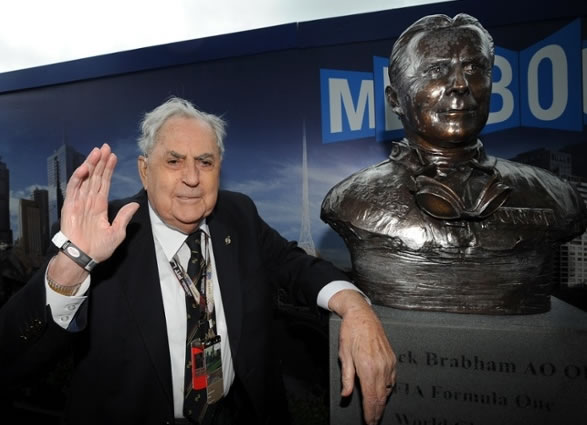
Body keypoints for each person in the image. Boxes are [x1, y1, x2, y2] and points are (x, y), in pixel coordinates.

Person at [0, 97, 396, 425]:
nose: (192, 177)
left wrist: (355, 306)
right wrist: (75, 264)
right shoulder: (101, 234)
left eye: (205, 162)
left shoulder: (238, 216)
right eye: (174, 161)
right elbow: (12, 357)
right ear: (144, 169)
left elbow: (296, 266)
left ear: (219, 169)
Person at [321, 14, 587, 314]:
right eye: (436, 70)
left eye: (475, 68)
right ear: (395, 100)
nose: (460, 85)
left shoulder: (555, 196)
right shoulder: (351, 200)